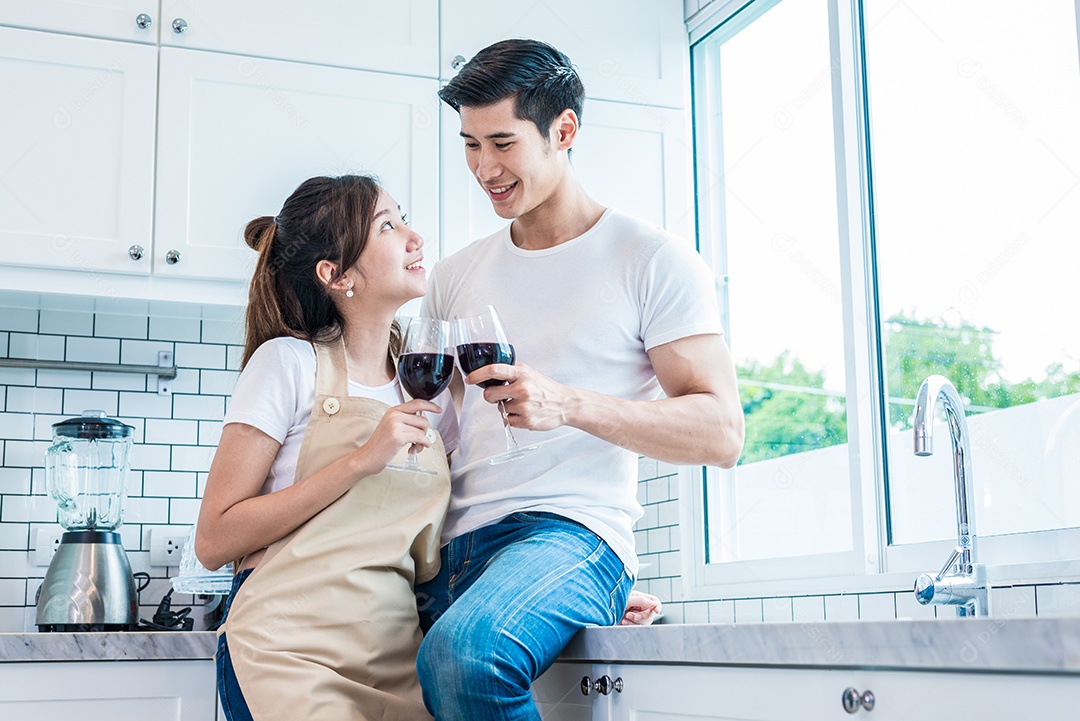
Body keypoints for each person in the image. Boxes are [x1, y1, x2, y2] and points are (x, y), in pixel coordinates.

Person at [416, 39, 745, 719]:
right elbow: (438, 439)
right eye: (470, 145)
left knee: (464, 657)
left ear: (564, 129)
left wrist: (565, 403)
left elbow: (721, 431)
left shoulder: (649, 259)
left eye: (502, 142)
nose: (484, 168)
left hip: (571, 532)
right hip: (454, 550)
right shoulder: (453, 276)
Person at [195, 174, 459, 721]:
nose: (415, 238)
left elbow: (459, 531)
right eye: (388, 226)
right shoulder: (287, 364)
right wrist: (361, 461)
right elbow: (215, 538)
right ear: (335, 276)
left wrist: (572, 597)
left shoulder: (428, 381)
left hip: (396, 664)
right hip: (286, 656)